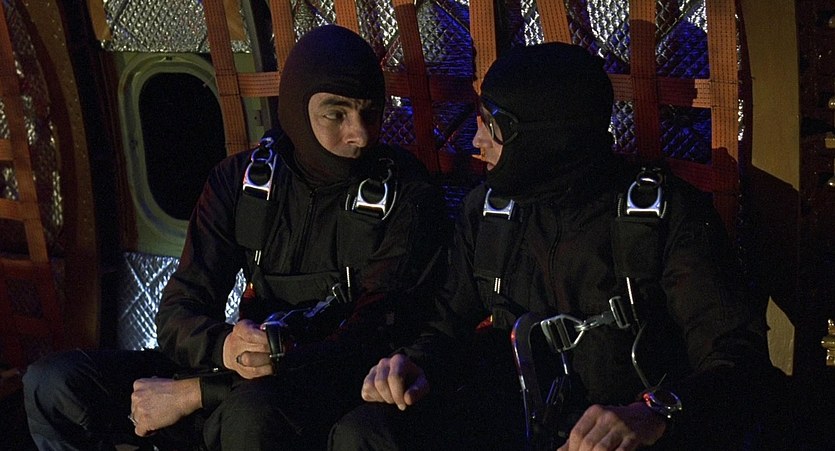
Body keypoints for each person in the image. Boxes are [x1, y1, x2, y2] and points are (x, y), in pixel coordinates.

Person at [330, 42, 780, 450]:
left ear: (544, 138)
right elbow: (446, 325)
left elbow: (737, 360)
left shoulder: (662, 218)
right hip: (511, 421)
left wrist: (653, 413)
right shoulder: (489, 212)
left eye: (493, 126)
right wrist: (414, 365)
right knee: (367, 432)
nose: (476, 140)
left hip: (619, 437)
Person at [23, 24, 448, 450]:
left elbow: (368, 342)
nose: (360, 134)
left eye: (370, 113)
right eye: (336, 114)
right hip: (234, 370)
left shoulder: (406, 197)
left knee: (253, 411)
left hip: (313, 390)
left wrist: (196, 393)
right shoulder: (243, 182)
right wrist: (224, 347)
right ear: (297, 109)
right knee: (54, 383)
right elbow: (177, 313)